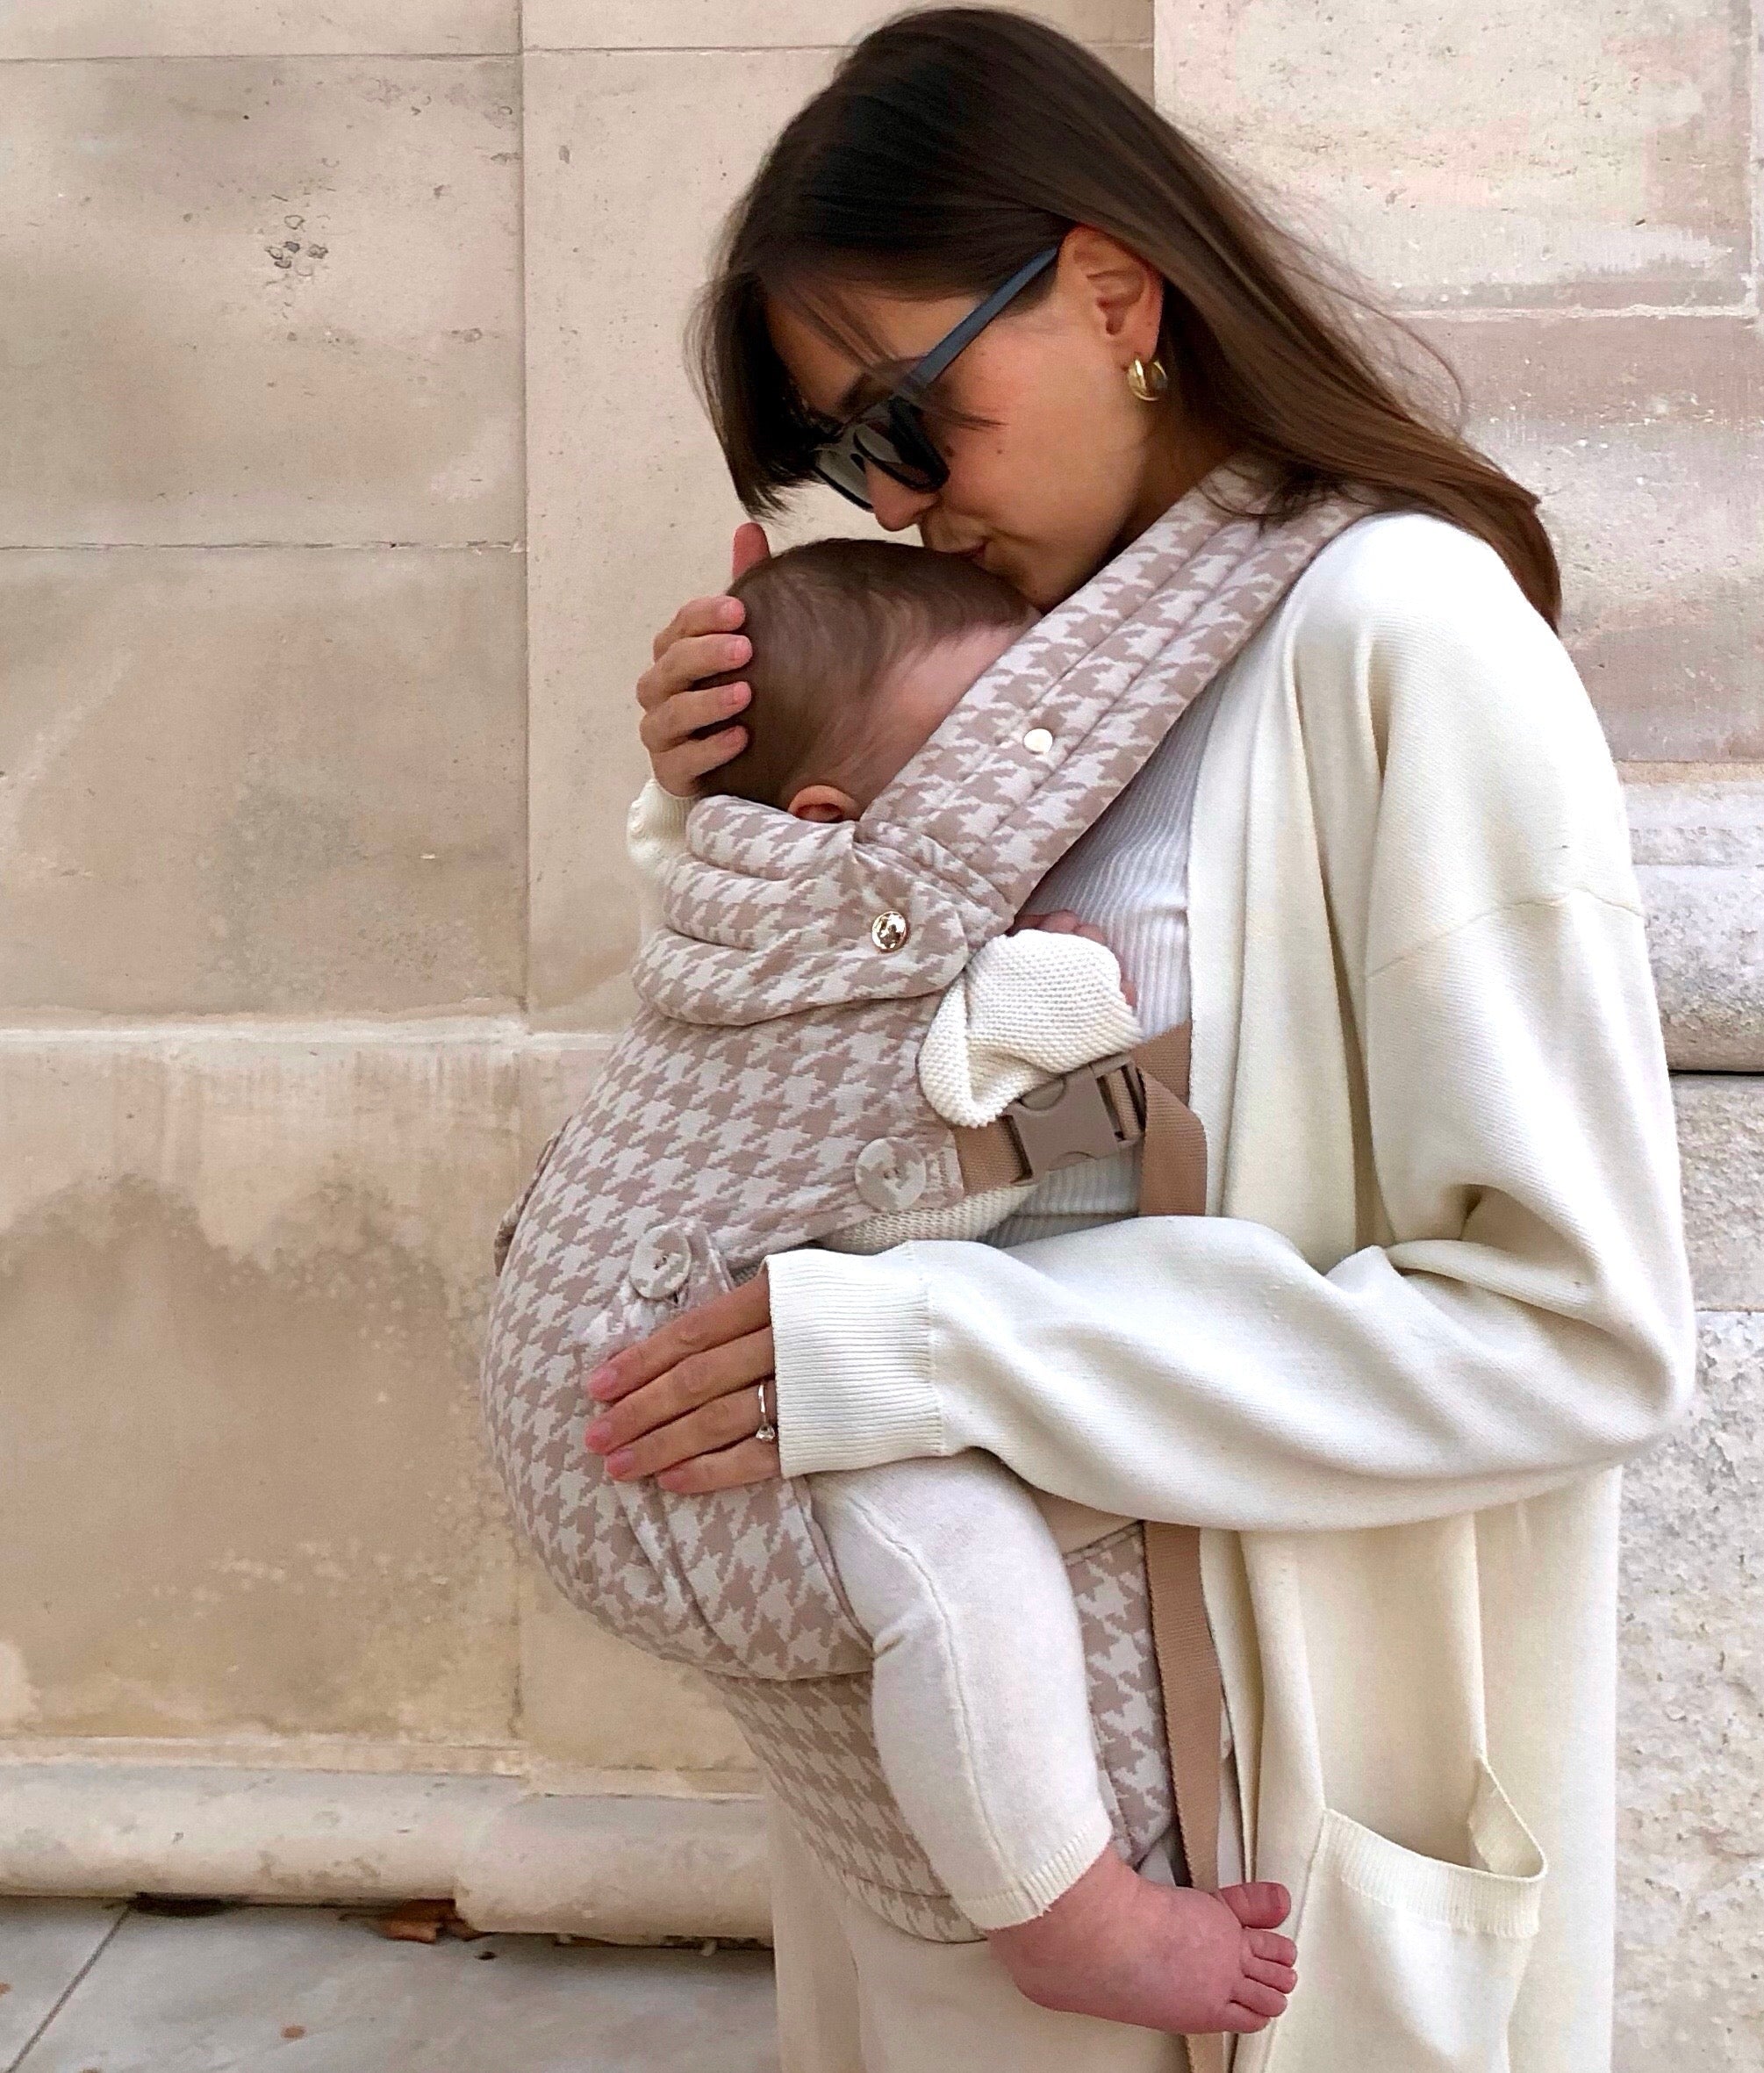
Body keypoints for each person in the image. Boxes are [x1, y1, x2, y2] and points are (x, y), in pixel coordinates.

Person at [581, 10, 1696, 2068]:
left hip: (1251, 1819)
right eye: (843, 455)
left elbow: (1580, 1326)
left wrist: (917, 1347)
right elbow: (826, 1111)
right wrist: (731, 808)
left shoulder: (1397, 635)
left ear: (1110, 290)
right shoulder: (1007, 676)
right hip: (964, 1808)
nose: (894, 503)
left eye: (909, 419)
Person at [616, 533, 1300, 2034]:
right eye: (986, 763)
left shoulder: (755, 892)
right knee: (961, 1569)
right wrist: (1060, 979)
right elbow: (988, 1078)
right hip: (745, 1378)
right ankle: (1071, 1915)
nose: (1041, 808)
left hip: (731, 1349)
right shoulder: (876, 937)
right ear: (830, 822)